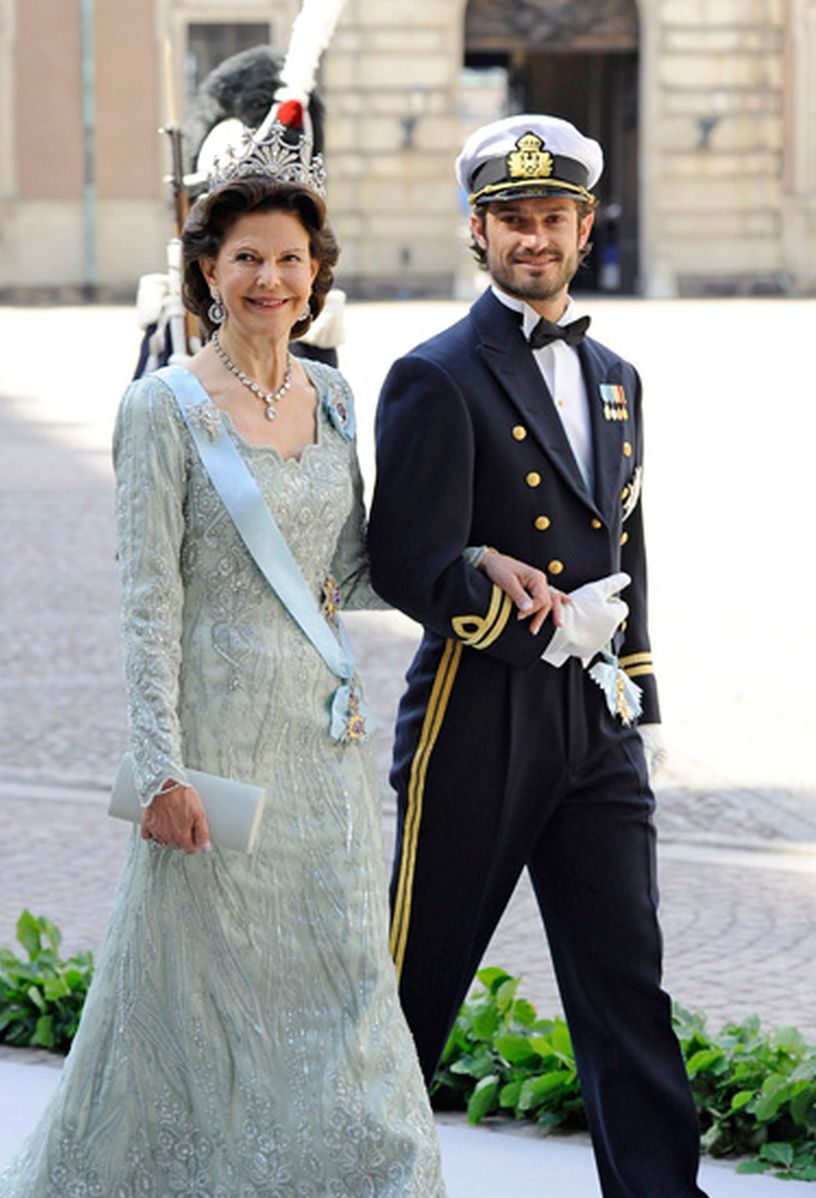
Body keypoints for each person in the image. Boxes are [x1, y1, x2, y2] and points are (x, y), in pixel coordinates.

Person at [0, 125, 446, 1197]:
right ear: (206, 268)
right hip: (216, 765)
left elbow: (352, 573)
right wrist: (161, 769)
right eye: (246, 257)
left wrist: (473, 569)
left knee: (343, 998)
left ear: (316, 275)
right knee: (193, 1003)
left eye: (289, 259)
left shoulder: (332, 399)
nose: (269, 279)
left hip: (323, 756)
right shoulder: (161, 411)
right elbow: (147, 603)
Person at [367, 113, 708, 1198]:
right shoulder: (435, 374)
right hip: (478, 710)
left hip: (592, 722)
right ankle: (352, 1173)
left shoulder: (616, 375)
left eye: (551, 217)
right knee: (414, 984)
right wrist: (486, 579)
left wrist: (635, 697)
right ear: (476, 229)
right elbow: (401, 560)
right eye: (511, 219)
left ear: (583, 225)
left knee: (625, 982)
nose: (533, 237)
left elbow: (626, 545)